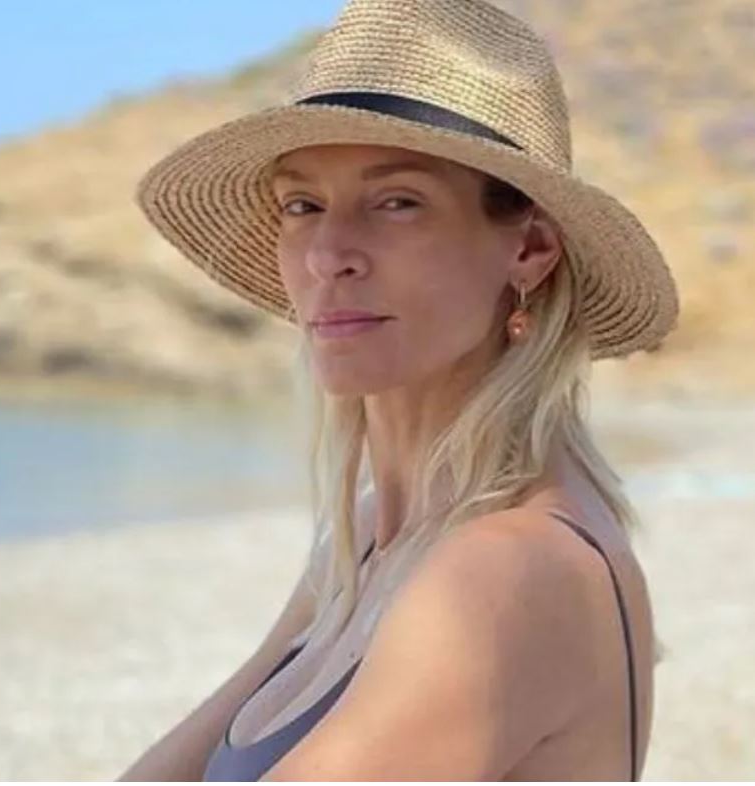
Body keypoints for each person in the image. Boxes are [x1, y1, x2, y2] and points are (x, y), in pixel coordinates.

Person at [119, 0, 678, 780]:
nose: (329, 255)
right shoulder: (373, 537)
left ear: (529, 248)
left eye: (397, 203)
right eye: (302, 205)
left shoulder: (507, 574)